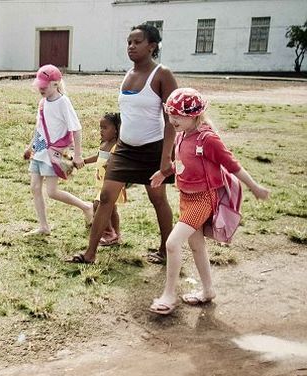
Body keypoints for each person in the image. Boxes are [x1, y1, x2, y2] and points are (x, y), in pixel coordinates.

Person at [148, 88, 270, 314]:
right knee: (196, 246)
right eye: (170, 114)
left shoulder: (208, 139)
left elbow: (233, 165)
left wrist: (254, 187)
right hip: (186, 197)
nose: (172, 119)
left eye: (178, 115)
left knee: (172, 243)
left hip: (203, 199)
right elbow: (183, 161)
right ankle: (208, 290)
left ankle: (169, 295)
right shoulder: (182, 133)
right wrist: (165, 173)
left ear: (195, 115)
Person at [69, 24, 177, 263]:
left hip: (153, 149)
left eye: (137, 42)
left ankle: (166, 251)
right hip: (126, 149)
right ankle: (90, 254)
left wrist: (166, 157)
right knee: (106, 197)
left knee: (158, 199)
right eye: (129, 42)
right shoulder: (128, 74)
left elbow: (172, 120)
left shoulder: (162, 74)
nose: (131, 46)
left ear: (152, 46)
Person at [23, 64, 92, 236]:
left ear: (55, 83)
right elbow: (39, 127)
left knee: (52, 192)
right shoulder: (42, 102)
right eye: (39, 85)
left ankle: (86, 207)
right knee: (35, 187)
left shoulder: (63, 102)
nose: (41, 89)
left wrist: (78, 155)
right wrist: (30, 146)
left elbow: (76, 128)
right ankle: (44, 226)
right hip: (39, 150)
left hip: (54, 153)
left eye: (44, 85)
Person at [83, 112, 126, 246]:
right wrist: (84, 161)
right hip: (101, 183)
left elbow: (118, 161)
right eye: (100, 127)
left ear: (116, 129)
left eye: (105, 128)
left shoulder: (116, 146)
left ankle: (109, 233)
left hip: (111, 183)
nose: (101, 130)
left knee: (98, 205)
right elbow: (98, 156)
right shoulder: (104, 144)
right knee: (112, 210)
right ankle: (116, 236)